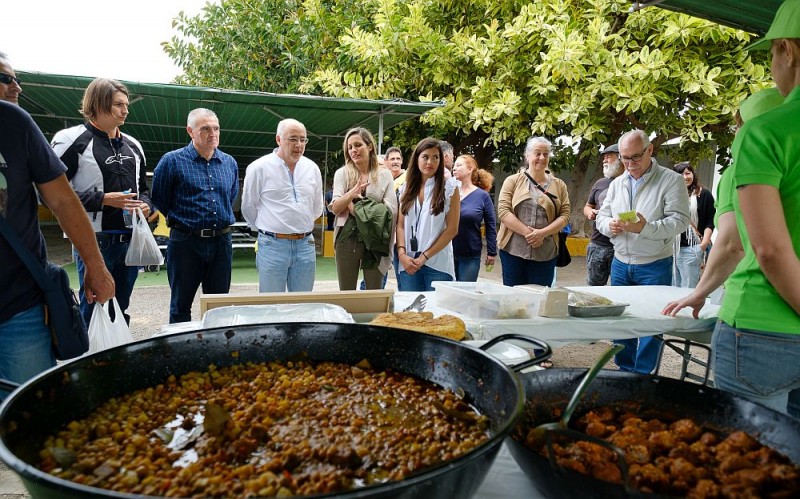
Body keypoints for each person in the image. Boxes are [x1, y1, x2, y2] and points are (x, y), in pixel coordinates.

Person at [676, 0, 800, 416]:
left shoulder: (766, 132)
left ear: (789, 50)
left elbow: (764, 250)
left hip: (762, 328)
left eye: (771, 54)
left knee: (749, 466)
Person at [0, 101, 115, 398]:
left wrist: (96, 266)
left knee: (34, 409)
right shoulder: (75, 140)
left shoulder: (13, 122)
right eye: (6, 79)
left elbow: (63, 200)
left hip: (18, 304)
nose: (17, 87)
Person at [50, 77, 152, 325]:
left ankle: (117, 355)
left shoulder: (134, 146)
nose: (125, 110)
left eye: (126, 104)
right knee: (93, 308)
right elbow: (50, 195)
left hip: (131, 240)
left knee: (121, 306)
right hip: (95, 240)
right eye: (118, 104)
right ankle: (88, 360)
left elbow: (144, 189)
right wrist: (103, 200)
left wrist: (148, 205)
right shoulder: (70, 140)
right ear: (98, 103)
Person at [596, 129, 690, 374]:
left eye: (635, 157)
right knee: (621, 323)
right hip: (620, 263)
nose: (629, 164)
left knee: (651, 325)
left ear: (650, 150)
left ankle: (644, 376)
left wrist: (645, 228)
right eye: (624, 158)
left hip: (654, 264)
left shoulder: (671, 180)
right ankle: (625, 371)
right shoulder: (617, 183)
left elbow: (679, 221)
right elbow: (601, 217)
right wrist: (609, 226)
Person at [151, 108, 239, 323]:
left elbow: (231, 196)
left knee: (219, 306)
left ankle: (216, 351)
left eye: (216, 128)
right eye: (205, 129)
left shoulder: (229, 163)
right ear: (190, 131)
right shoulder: (171, 161)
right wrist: (185, 220)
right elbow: (160, 199)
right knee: (181, 305)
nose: (213, 134)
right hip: (186, 242)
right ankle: (182, 353)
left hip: (221, 242)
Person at [241, 118, 323, 292]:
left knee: (302, 304)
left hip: (305, 246)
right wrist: (270, 229)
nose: (299, 145)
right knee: (271, 305)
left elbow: (315, 208)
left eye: (303, 139)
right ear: (278, 139)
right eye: (293, 139)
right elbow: (248, 207)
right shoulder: (259, 168)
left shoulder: (312, 168)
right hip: (272, 245)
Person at [497, 136, 570, 287]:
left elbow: (565, 215)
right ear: (527, 155)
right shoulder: (513, 181)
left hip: (545, 252)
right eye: (537, 153)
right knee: (513, 298)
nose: (541, 158)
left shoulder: (559, 185)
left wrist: (542, 233)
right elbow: (503, 211)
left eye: (546, 154)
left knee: (539, 300)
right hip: (513, 250)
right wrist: (530, 234)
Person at [329, 128, 397, 290]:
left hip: (376, 238)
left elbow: (391, 211)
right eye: (350, 147)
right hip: (347, 237)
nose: (353, 150)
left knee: (374, 291)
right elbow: (336, 208)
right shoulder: (342, 173)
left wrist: (354, 208)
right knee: (346, 292)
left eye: (358, 145)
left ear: (370, 147)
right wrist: (351, 194)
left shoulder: (385, 175)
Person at [396, 138, 460, 291]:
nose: (430, 162)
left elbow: (452, 229)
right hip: (408, 262)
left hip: (437, 263)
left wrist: (425, 257)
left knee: (438, 313)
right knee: (410, 312)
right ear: (416, 159)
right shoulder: (405, 189)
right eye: (425, 157)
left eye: (435, 157)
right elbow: (400, 226)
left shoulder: (450, 188)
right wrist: (401, 254)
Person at [452, 154, 497, 281]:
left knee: (466, 294)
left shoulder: (482, 196)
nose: (454, 168)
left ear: (470, 169)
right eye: (454, 165)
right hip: (446, 253)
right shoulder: (448, 192)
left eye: (459, 165)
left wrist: (491, 252)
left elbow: (491, 225)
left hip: (470, 254)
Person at [584, 144, 623, 286]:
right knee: (594, 289)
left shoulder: (631, 182)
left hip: (621, 246)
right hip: (598, 244)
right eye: (603, 158)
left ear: (621, 158)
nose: (604, 161)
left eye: (609, 157)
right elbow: (588, 206)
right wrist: (590, 212)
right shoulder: (600, 183)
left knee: (621, 290)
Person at [672, 162, 715, 288]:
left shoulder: (704, 194)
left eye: (687, 173)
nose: (685, 177)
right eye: (680, 174)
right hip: (672, 250)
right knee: (671, 289)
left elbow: (710, 221)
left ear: (693, 174)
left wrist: (703, 244)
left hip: (692, 249)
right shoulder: (671, 195)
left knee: (688, 290)